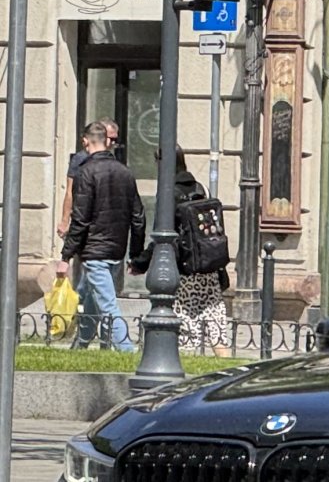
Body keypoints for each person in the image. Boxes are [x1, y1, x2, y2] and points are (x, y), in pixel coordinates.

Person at [131, 152, 232, 354]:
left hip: (184, 270)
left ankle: (185, 367)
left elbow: (165, 236)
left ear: (162, 162)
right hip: (207, 266)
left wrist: (140, 262)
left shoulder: (169, 192)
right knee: (215, 323)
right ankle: (226, 364)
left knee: (186, 325)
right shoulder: (199, 187)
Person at [61, 121, 145, 351]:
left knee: (106, 303)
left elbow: (81, 218)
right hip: (116, 249)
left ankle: (127, 350)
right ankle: (81, 345)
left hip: (94, 250)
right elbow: (138, 217)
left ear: (85, 141)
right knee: (91, 298)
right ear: (107, 141)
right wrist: (135, 255)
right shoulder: (125, 172)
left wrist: (65, 255)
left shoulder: (85, 172)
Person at [59, 118, 118, 236]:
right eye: (110, 138)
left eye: (115, 139)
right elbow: (70, 191)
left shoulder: (112, 161)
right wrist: (65, 221)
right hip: (86, 221)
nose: (112, 143)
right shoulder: (81, 159)